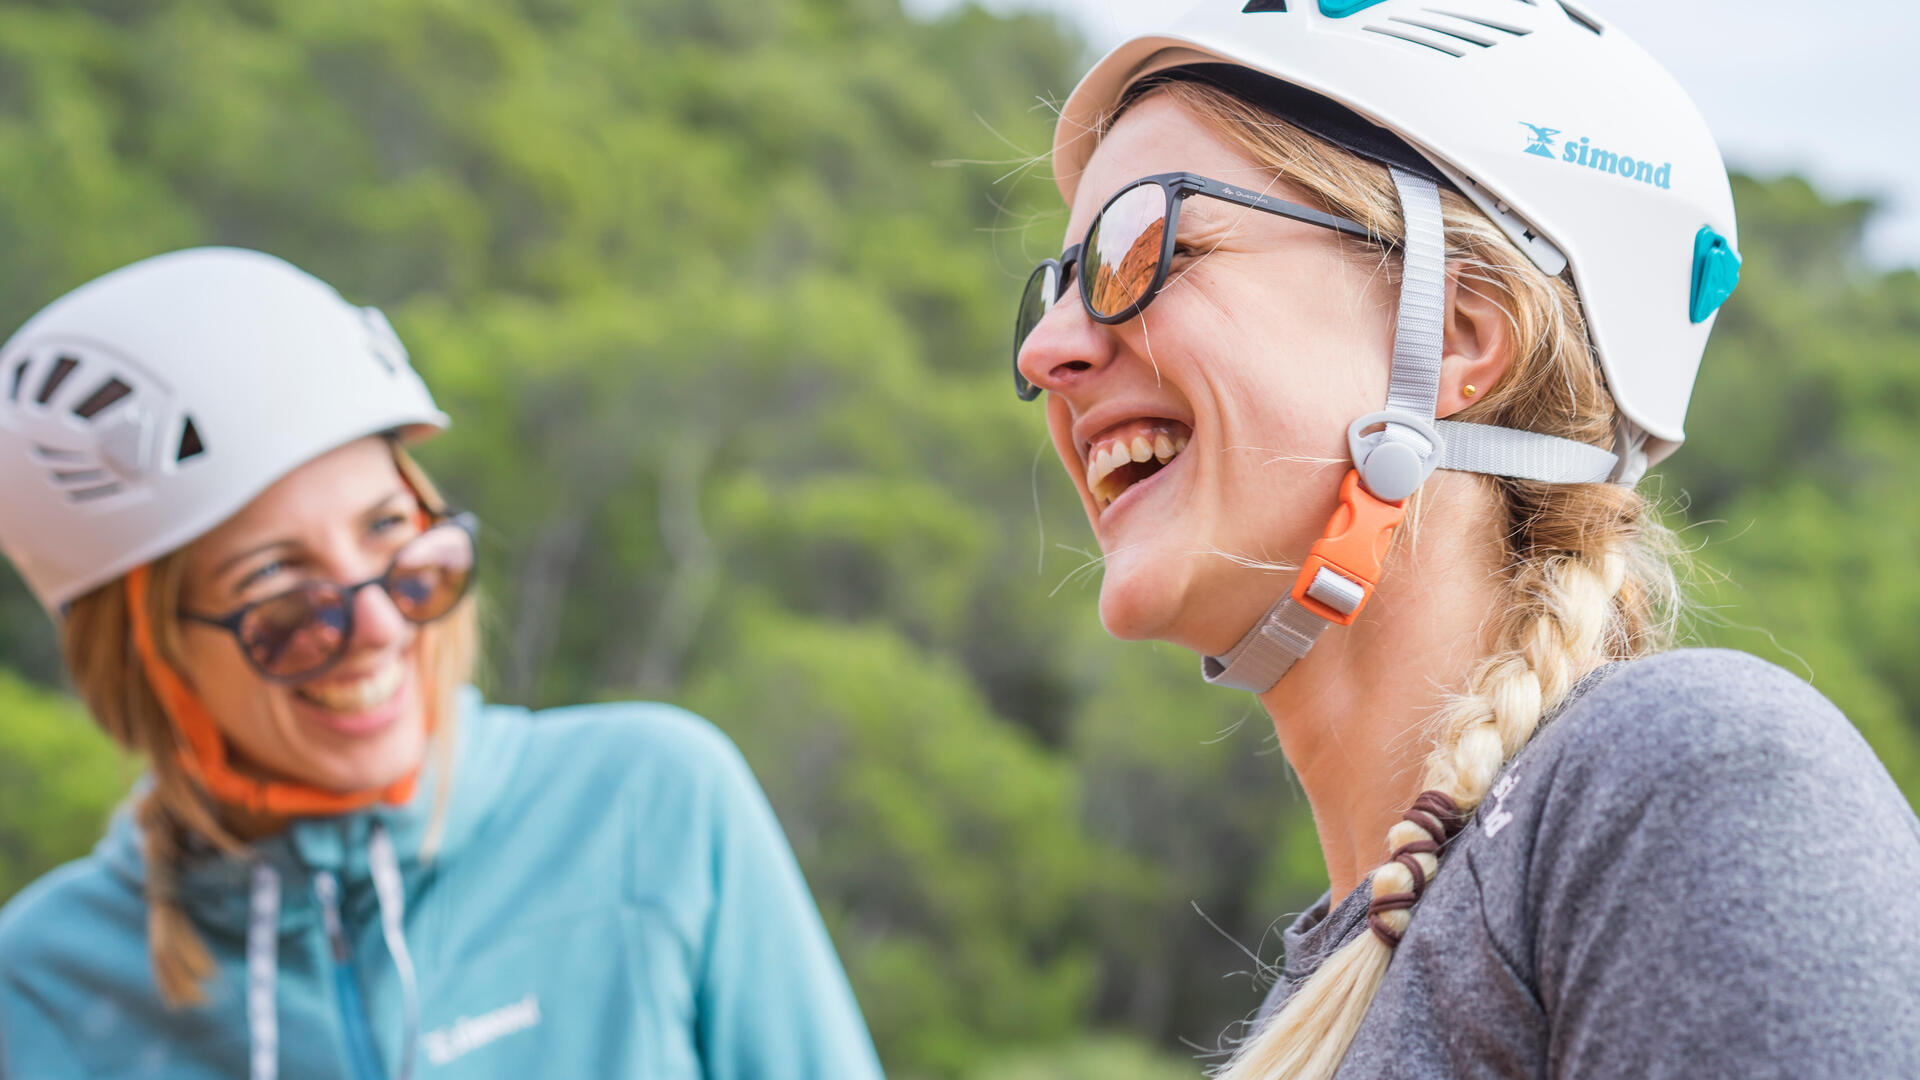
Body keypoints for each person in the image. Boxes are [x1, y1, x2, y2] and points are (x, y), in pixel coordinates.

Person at [1011, 3, 1920, 1077]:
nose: (1045, 348)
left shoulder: (1690, 784)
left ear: (1457, 331)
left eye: (1144, 247)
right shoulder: (1331, 998)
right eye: (1056, 285)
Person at [0, 248, 886, 1079]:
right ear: (142, 653)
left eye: (394, 536)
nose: (379, 624)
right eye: (278, 590)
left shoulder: (650, 812)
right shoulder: (42, 991)